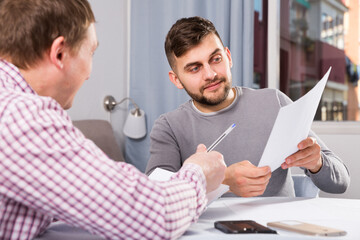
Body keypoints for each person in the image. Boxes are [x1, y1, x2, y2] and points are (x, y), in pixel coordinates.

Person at [0, 2, 226, 239]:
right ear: (60, 53)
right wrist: (199, 173)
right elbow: (152, 217)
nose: (89, 73)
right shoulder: (22, 118)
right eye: (91, 52)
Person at [146, 16, 350, 198]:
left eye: (216, 59)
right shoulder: (169, 127)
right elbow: (155, 197)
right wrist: (223, 180)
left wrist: (317, 164)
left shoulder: (274, 102)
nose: (210, 74)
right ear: (176, 79)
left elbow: (341, 182)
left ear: (228, 57)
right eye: (195, 68)